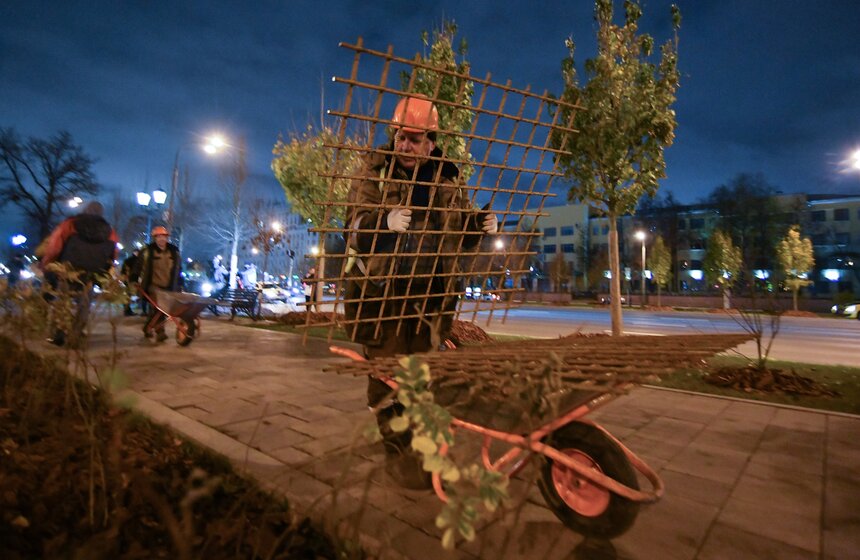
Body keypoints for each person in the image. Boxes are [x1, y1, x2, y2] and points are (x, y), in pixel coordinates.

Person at [343, 95, 497, 488]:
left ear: (431, 142)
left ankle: (421, 446)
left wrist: (479, 226)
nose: (405, 146)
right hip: (384, 297)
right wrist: (382, 222)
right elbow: (352, 227)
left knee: (423, 378)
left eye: (415, 139)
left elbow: (459, 235)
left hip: (430, 299)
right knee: (387, 377)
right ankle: (398, 454)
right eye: (401, 137)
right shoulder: (376, 172)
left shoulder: (448, 178)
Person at [40, 201, 118, 347]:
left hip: (68, 270)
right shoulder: (110, 231)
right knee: (84, 305)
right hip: (91, 274)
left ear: (84, 210)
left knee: (64, 301)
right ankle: (76, 334)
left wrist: (47, 263)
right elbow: (113, 254)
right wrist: (104, 272)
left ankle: (60, 334)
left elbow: (55, 246)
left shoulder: (70, 224)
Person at [139, 226, 181, 342]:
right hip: (153, 286)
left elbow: (178, 269)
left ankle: (147, 327)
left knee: (160, 310)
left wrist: (179, 283)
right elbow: (138, 266)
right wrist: (134, 279)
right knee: (159, 309)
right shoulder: (148, 251)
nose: (161, 239)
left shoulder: (174, 252)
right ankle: (160, 332)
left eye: (164, 237)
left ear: (167, 238)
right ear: (155, 238)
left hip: (168, 286)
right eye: (159, 237)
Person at [120, 249, 141, 316]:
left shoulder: (127, 260)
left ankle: (127, 310)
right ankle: (127, 311)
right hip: (132, 280)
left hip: (127, 280)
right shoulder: (137, 261)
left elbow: (123, 271)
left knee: (127, 295)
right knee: (130, 295)